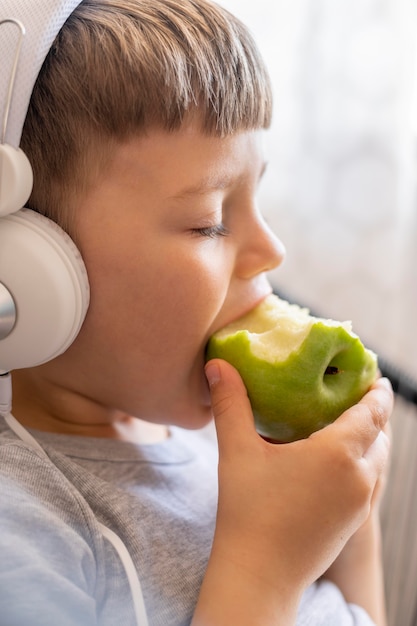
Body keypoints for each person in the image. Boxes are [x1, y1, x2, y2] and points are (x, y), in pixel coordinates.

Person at [0, 0, 393, 624]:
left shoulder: (226, 446)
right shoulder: (22, 533)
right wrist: (266, 564)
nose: (271, 249)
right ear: (30, 266)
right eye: (210, 222)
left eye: (257, 195)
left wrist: (353, 516)